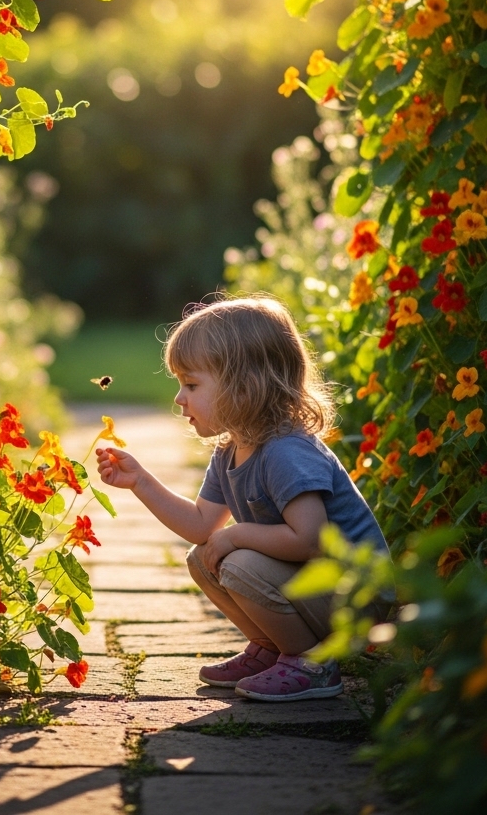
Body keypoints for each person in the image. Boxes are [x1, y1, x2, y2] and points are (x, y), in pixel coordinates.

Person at [96, 295, 389, 702]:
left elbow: (310, 540)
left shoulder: (287, 451)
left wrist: (236, 536)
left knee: (235, 559)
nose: (180, 398)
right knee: (204, 558)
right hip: (318, 591)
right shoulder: (231, 448)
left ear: (245, 385)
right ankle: (273, 649)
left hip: (357, 599)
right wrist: (140, 481)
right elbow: (201, 525)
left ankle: (312, 662)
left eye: (192, 385)